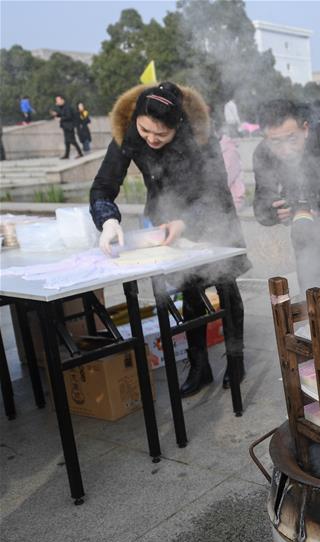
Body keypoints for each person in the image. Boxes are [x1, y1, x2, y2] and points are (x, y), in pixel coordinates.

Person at [89, 82, 250, 395]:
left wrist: (186, 221)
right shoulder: (127, 133)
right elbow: (103, 186)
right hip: (166, 215)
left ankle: (235, 359)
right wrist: (107, 220)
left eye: (160, 135)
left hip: (211, 214)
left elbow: (216, 189)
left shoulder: (201, 135)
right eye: (145, 130)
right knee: (189, 290)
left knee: (225, 286)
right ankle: (199, 364)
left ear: (178, 126)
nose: (151, 139)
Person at [252, 99, 320, 295]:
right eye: (276, 142)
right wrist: (274, 211)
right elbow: (260, 204)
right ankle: (313, 320)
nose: (286, 150)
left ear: (305, 129)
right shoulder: (263, 154)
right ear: (265, 137)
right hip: (304, 225)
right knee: (310, 286)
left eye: (292, 139)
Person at [51, 95, 83, 159]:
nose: (57, 102)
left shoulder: (67, 107)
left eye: (58, 100)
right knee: (67, 142)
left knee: (72, 141)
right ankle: (67, 155)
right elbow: (62, 114)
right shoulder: (62, 108)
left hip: (69, 127)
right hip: (65, 127)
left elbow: (68, 116)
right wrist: (56, 114)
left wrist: (60, 118)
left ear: (62, 100)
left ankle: (80, 153)